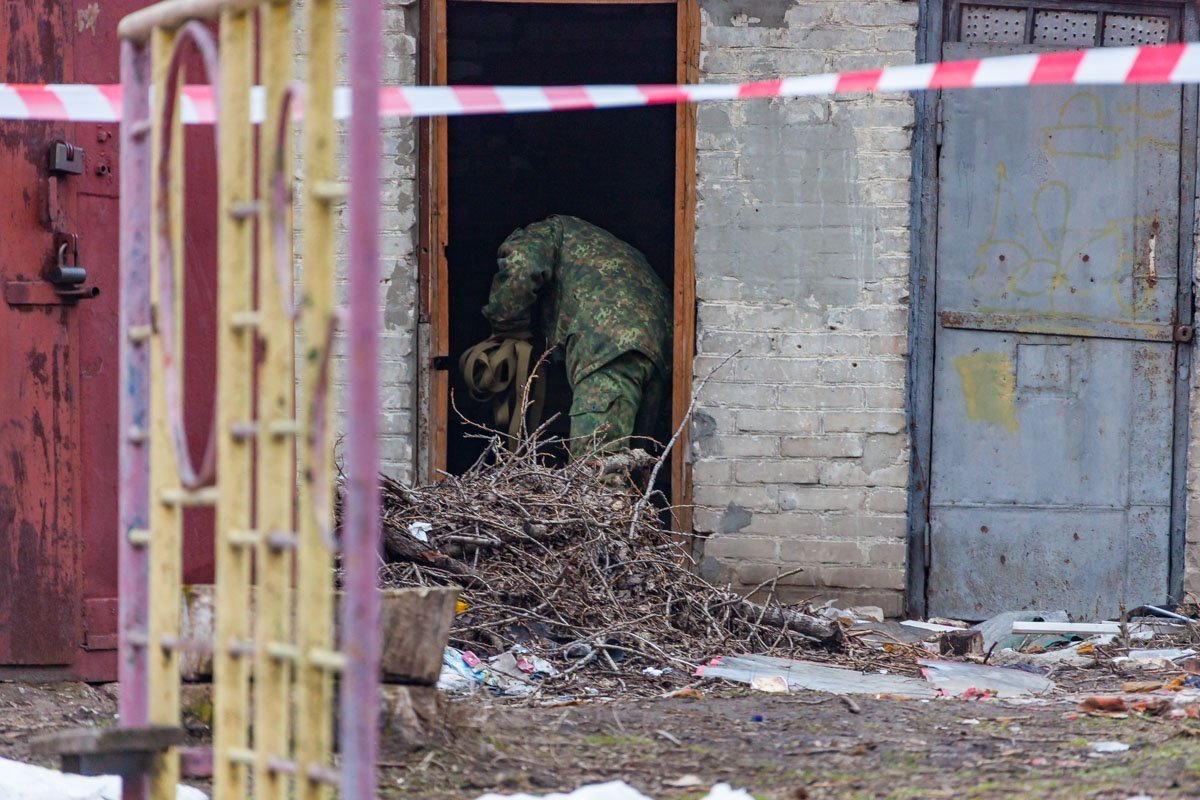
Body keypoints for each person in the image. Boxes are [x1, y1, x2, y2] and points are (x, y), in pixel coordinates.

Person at [476, 215, 671, 458]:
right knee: (634, 465)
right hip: (662, 350)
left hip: (607, 344)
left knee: (594, 470)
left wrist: (505, 326)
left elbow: (520, 266)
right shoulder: (600, 245)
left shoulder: (546, 232)